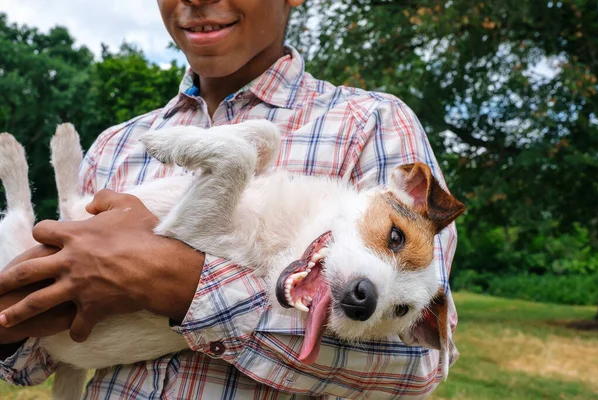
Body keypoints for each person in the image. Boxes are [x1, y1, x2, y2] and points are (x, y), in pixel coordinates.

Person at [0, 0, 460, 398]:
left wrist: (182, 287)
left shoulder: (371, 124)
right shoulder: (118, 144)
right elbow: (33, 363)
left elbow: (418, 367)